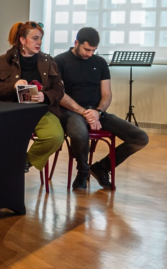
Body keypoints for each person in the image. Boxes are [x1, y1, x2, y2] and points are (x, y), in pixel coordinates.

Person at [55, 27, 148, 190]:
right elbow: (59, 95)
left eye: (94, 50)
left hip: (96, 111)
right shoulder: (60, 61)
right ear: (76, 43)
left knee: (140, 138)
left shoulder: (100, 63)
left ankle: (101, 168)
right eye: (87, 49)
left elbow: (107, 94)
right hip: (71, 112)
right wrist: (83, 112)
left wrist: (98, 112)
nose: (90, 54)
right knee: (79, 133)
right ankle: (83, 171)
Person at [0, 20, 65, 173]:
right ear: (22, 40)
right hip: (8, 110)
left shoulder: (48, 62)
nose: (39, 42)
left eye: (41, 38)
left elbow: (59, 90)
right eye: (35, 38)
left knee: (55, 137)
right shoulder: (1, 62)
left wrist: (45, 96)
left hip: (40, 111)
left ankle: (23, 163)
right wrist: (12, 87)